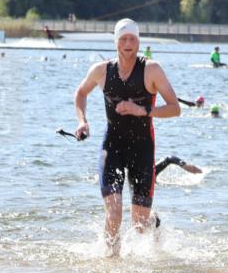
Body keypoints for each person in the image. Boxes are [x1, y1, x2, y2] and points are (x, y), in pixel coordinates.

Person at [73, 18, 181, 255]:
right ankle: (111, 268)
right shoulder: (101, 71)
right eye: (123, 39)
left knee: (140, 225)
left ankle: (155, 222)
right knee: (114, 213)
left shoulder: (151, 70)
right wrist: (83, 121)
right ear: (116, 42)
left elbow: (175, 108)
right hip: (112, 146)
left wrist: (142, 110)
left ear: (139, 42)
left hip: (142, 148)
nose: (128, 43)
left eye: (133, 38)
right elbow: (81, 93)